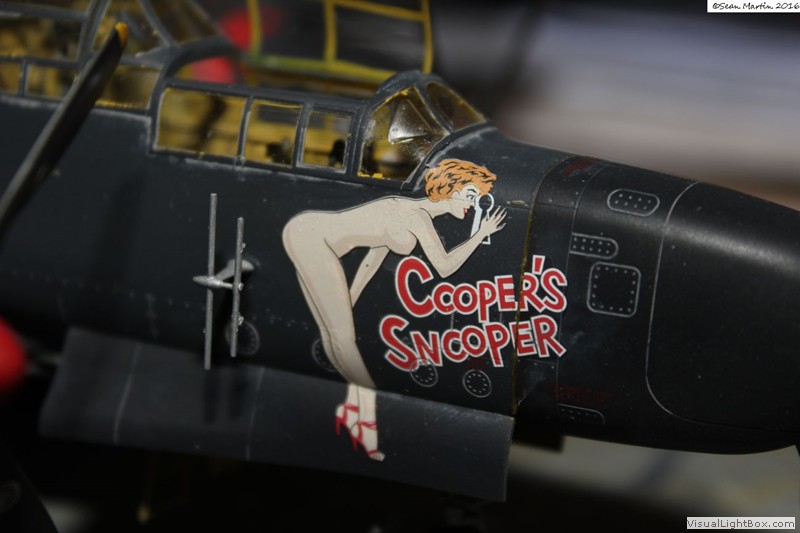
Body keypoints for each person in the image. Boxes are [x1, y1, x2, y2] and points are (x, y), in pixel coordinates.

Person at [282, 159, 506, 461]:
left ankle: (350, 409)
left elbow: (373, 257)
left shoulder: (409, 212)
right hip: (311, 237)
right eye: (470, 195)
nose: (472, 205)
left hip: (310, 235)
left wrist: (350, 297)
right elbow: (444, 267)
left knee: (333, 335)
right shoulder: (416, 216)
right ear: (451, 189)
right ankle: (367, 422)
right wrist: (479, 235)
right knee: (343, 338)